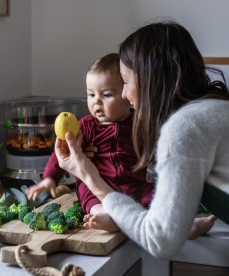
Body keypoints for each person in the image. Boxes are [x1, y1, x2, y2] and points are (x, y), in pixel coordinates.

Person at [54, 20, 229, 259]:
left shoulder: (186, 126)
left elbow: (160, 241)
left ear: (151, 79)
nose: (124, 94)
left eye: (125, 82)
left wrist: (88, 175)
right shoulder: (212, 108)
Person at [27, 53, 155, 232]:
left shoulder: (140, 123)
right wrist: (49, 178)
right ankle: (107, 218)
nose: (96, 101)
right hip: (95, 186)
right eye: (91, 94)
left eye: (107, 95)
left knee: (156, 197)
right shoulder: (86, 126)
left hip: (132, 184)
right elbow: (63, 152)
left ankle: (180, 225)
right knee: (91, 200)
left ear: (127, 95)